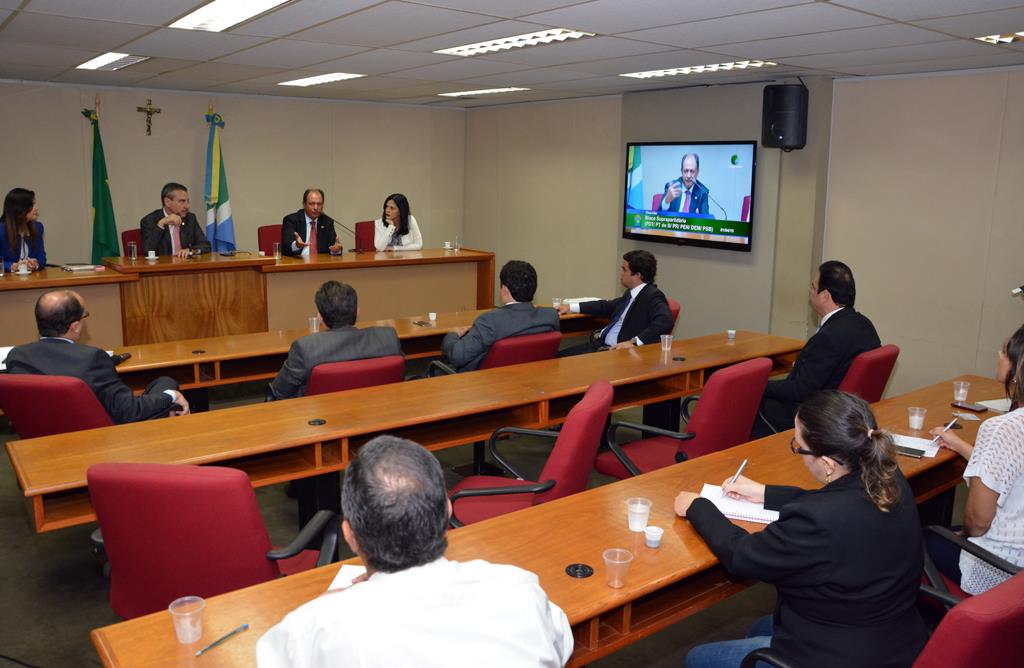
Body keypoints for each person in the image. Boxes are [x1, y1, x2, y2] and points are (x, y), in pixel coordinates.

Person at [256, 435, 573, 667]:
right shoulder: (518, 590)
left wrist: (326, 606)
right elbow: (560, 641)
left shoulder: (316, 628)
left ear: (350, 537)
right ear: (447, 511)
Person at [674, 390, 928, 668]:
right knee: (761, 627)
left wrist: (698, 506)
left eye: (798, 446)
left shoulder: (818, 520)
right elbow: (835, 504)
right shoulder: (888, 476)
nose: (797, 451)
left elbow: (742, 556)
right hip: (893, 636)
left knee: (697, 658)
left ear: (828, 464)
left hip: (840, 655)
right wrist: (764, 493)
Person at [927, 322, 1024, 595]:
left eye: (1005, 351)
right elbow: (1010, 471)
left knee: (920, 537)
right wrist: (960, 446)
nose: (998, 354)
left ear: (1017, 371)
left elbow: (978, 522)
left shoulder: (1002, 429)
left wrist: (963, 534)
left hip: (1000, 567)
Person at [5, 290, 189, 423]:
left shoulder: (17, 356)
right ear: (75, 326)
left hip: (43, 439)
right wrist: (171, 396)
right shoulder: (91, 358)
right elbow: (129, 411)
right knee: (167, 384)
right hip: (101, 439)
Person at [752, 260, 880, 437]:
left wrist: (757, 385)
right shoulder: (865, 325)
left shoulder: (828, 337)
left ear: (825, 295)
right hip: (849, 412)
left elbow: (800, 390)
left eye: (813, 287)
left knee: (749, 401)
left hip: (817, 415)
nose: (811, 292)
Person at [268, 281, 401, 399]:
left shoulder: (306, 348)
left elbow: (280, 392)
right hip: (378, 411)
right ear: (357, 311)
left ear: (320, 317)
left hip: (319, 420)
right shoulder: (388, 338)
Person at [440, 260, 559, 372]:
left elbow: (457, 356)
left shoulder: (489, 321)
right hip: (532, 378)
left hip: (483, 384)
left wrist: (452, 335)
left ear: (505, 290)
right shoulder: (550, 316)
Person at [557, 249, 672, 355]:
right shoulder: (632, 293)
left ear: (637, 275)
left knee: (557, 363)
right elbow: (607, 306)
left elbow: (664, 321)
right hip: (599, 346)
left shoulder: (652, 296)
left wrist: (634, 342)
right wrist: (570, 307)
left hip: (615, 353)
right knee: (557, 357)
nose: (621, 273)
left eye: (624, 269)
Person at [139, 183, 211, 258]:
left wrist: (191, 250)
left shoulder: (190, 218)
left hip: (186, 266)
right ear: (167, 202)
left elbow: (205, 245)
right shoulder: (149, 221)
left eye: (187, 201)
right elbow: (147, 251)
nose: (187, 206)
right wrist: (161, 224)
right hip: (162, 267)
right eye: (182, 201)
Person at [281, 188, 342, 258]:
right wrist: (296, 245)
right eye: (312, 204)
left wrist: (336, 250)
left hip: (321, 264)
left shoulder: (327, 221)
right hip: (298, 263)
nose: (316, 207)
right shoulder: (291, 220)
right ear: (304, 204)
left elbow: (334, 246)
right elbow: (286, 246)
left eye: (319, 204)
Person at [1, 187, 46, 273]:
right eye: (32, 205)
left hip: (32, 280)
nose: (36, 208)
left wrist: (35, 264)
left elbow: (42, 259)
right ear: (20, 209)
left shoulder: (38, 228)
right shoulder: (1, 231)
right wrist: (13, 266)